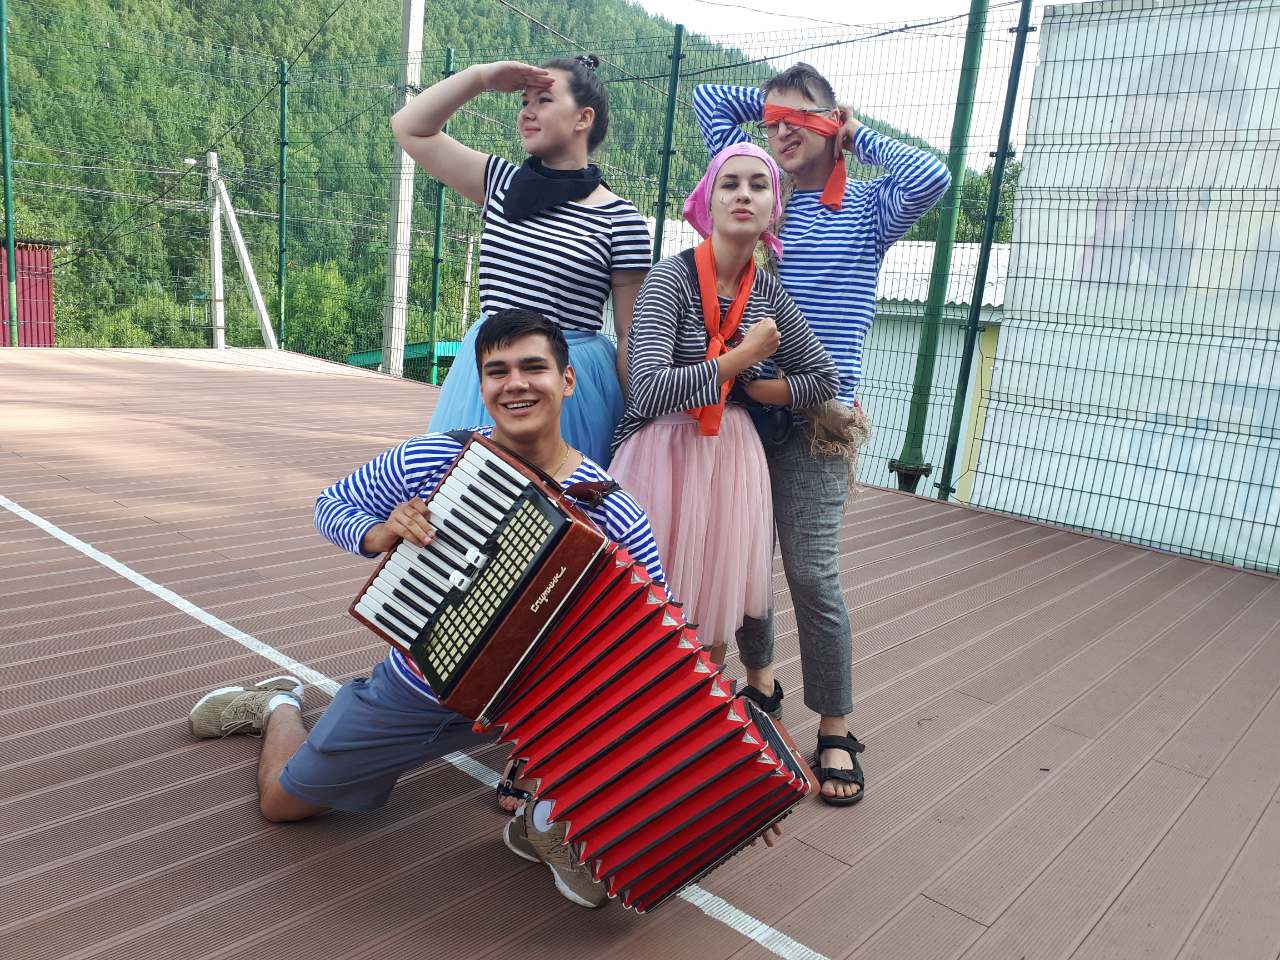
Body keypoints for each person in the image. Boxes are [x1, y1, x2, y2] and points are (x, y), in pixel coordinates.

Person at [188, 309, 667, 910]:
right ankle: (279, 706)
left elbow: (653, 628)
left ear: (567, 380)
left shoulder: (610, 508)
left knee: (619, 720)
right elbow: (332, 505)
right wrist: (380, 532)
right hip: (417, 689)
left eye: (533, 368)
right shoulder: (437, 459)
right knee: (284, 804)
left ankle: (542, 820)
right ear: (481, 384)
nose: (515, 384)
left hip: (534, 707)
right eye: (497, 372)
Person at [692, 63, 952, 805]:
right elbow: (711, 103)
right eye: (772, 121)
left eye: (800, 121)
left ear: (832, 124)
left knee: (810, 571)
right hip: (743, 410)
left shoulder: (868, 208)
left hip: (819, 419)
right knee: (747, 561)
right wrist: (779, 110)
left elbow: (932, 178)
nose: (781, 132)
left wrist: (851, 132)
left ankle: (835, 726)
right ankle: (759, 680)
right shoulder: (764, 200)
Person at [609, 143, 838, 685]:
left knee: (712, 608)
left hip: (729, 455)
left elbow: (823, 379)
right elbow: (647, 390)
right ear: (707, 203)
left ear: (774, 208)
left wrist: (755, 390)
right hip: (662, 450)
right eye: (729, 184)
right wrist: (738, 360)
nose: (743, 194)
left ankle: (695, 716)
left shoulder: (768, 292)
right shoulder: (672, 278)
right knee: (642, 601)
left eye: (758, 185)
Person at [390, 55, 651, 468]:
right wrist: (481, 77)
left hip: (568, 380)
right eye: (524, 102)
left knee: (559, 497)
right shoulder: (500, 182)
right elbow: (410, 127)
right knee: (469, 487)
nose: (527, 112)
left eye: (543, 101)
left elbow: (630, 334)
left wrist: (635, 421)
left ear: (583, 118)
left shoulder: (621, 220)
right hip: (493, 362)